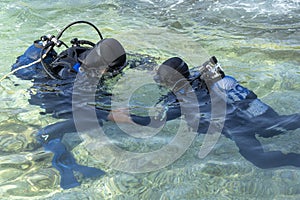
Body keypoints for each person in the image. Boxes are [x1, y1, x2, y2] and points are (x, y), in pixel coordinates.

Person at [119, 56, 300, 169]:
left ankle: (295, 160)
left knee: (261, 160)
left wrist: (121, 117)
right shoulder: (203, 76)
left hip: (236, 124)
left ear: (169, 82)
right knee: (274, 128)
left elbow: (153, 122)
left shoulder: (179, 99)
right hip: (253, 108)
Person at [11, 35, 128, 189]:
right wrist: (108, 115)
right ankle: (62, 160)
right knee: (92, 122)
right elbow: (73, 107)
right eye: (110, 70)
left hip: (70, 93)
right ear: (101, 66)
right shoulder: (70, 77)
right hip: (51, 99)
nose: (114, 73)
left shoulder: (90, 56)